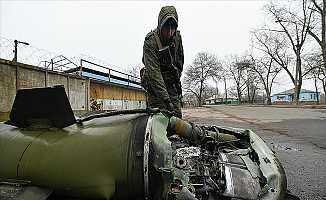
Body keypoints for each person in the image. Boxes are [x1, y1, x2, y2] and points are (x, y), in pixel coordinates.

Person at [141, 6, 184, 118]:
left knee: (177, 117)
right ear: (160, 25)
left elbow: (179, 61)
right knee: (159, 118)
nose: (169, 32)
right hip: (155, 85)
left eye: (172, 28)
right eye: (166, 28)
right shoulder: (150, 42)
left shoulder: (177, 38)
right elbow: (154, 74)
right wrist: (166, 100)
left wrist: (176, 80)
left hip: (170, 82)